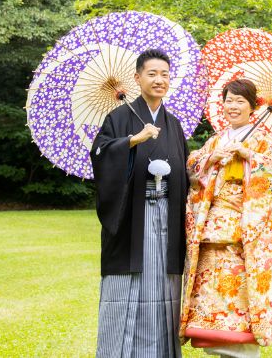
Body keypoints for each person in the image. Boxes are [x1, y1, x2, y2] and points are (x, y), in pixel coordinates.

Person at [90, 49, 189, 358]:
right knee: (129, 286)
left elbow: (185, 171)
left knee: (164, 288)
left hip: (167, 218)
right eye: (152, 74)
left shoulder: (174, 125)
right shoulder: (119, 118)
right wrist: (132, 140)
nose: (159, 80)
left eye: (165, 75)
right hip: (133, 218)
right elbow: (100, 155)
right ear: (137, 78)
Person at [180, 79, 272, 358]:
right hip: (211, 229)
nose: (233, 106)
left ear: (253, 107)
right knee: (212, 305)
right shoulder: (216, 139)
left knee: (241, 303)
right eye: (229, 100)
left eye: (240, 101)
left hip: (243, 231)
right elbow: (192, 167)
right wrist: (211, 158)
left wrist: (249, 155)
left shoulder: (263, 141)